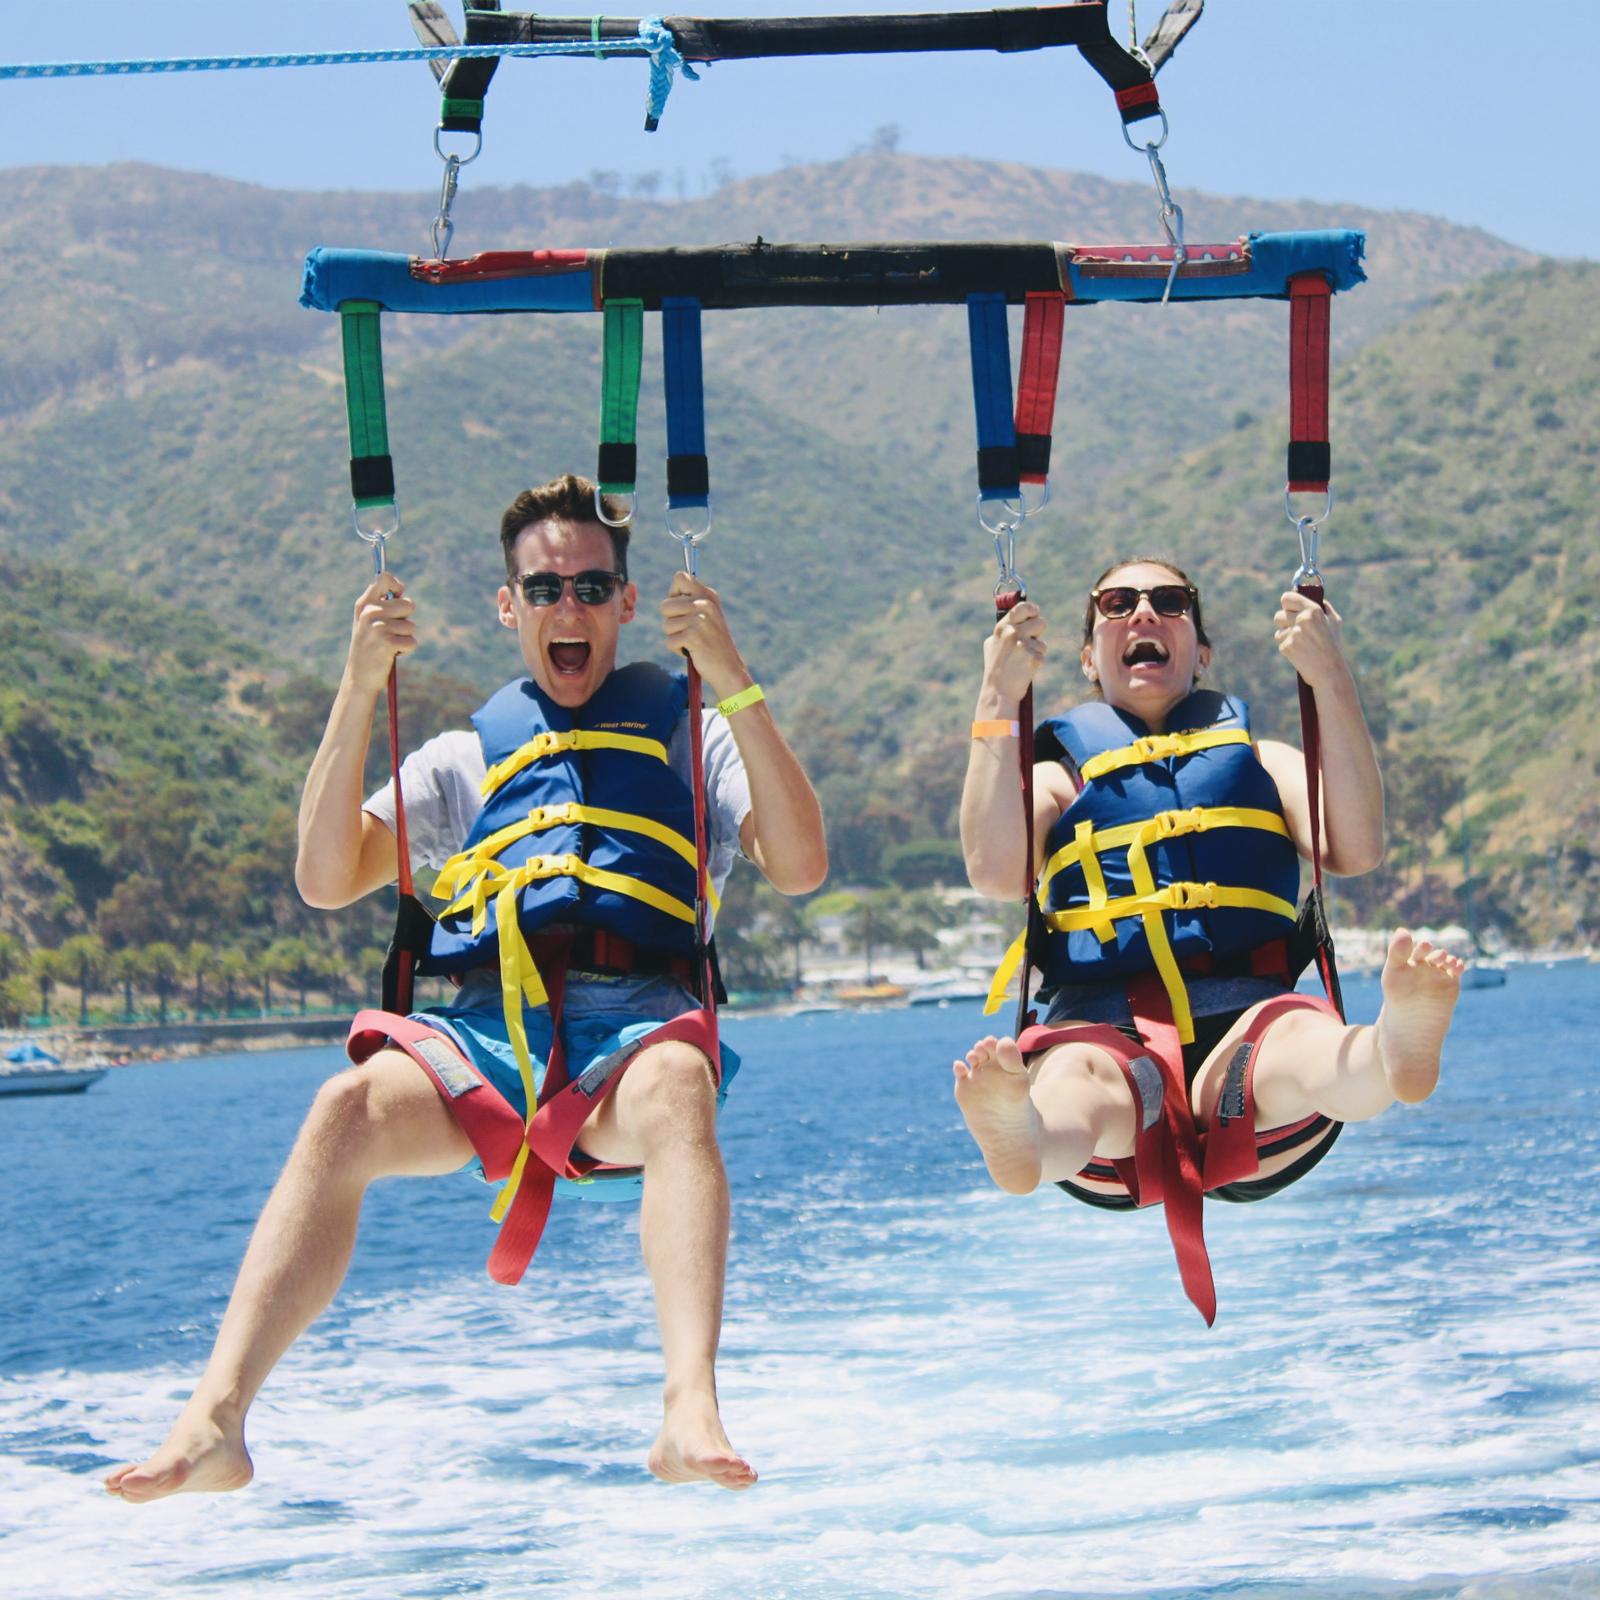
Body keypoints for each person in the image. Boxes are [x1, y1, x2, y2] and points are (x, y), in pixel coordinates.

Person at [106, 474, 827, 1501]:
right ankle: (215, 1418)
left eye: (590, 585)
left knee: (677, 1083)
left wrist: (733, 677)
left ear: (628, 602)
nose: (566, 608)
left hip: (638, 1033)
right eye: (543, 589)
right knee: (345, 1104)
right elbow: (325, 876)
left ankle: (688, 1406)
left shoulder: (694, 730)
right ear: (508, 606)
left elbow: (798, 865)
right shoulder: (466, 757)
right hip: (490, 1032)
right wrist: (358, 685)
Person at [952, 557, 1463, 1312]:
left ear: (1202, 648)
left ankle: (1393, 1053)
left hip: (1251, 1027)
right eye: (1117, 604)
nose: (1144, 615)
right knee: (1079, 1086)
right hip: (1103, 1033)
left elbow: (1353, 847)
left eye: (1171, 602)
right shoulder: (1060, 779)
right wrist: (999, 693)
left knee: (1300, 1050)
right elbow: (996, 870)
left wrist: (1331, 679)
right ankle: (1023, 1138)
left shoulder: (1261, 758)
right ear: (1090, 655)